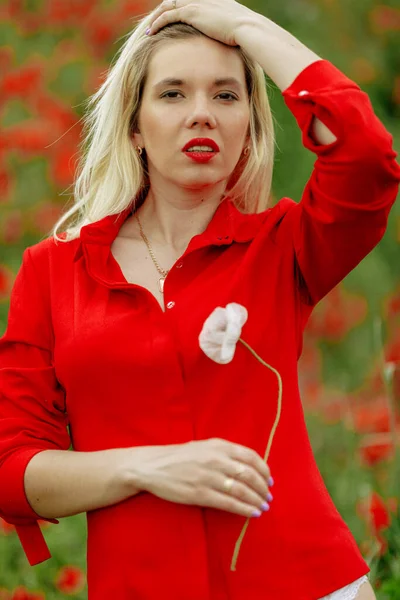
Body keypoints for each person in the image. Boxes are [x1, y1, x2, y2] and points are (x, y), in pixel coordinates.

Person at [0, 0, 399, 598]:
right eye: (172, 94)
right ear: (134, 127)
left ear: (249, 128)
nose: (201, 116)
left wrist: (243, 24)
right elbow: (11, 468)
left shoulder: (285, 248)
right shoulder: (54, 272)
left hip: (306, 584)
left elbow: (365, 155)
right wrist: (147, 466)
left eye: (226, 96)